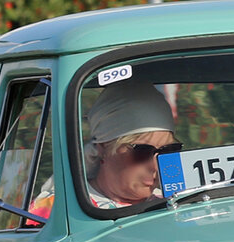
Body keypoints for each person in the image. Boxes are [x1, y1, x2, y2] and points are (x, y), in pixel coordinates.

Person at [27, 79, 180, 219]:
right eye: (142, 151)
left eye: (166, 150)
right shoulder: (59, 210)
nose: (155, 165)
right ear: (103, 148)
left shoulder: (177, 205)